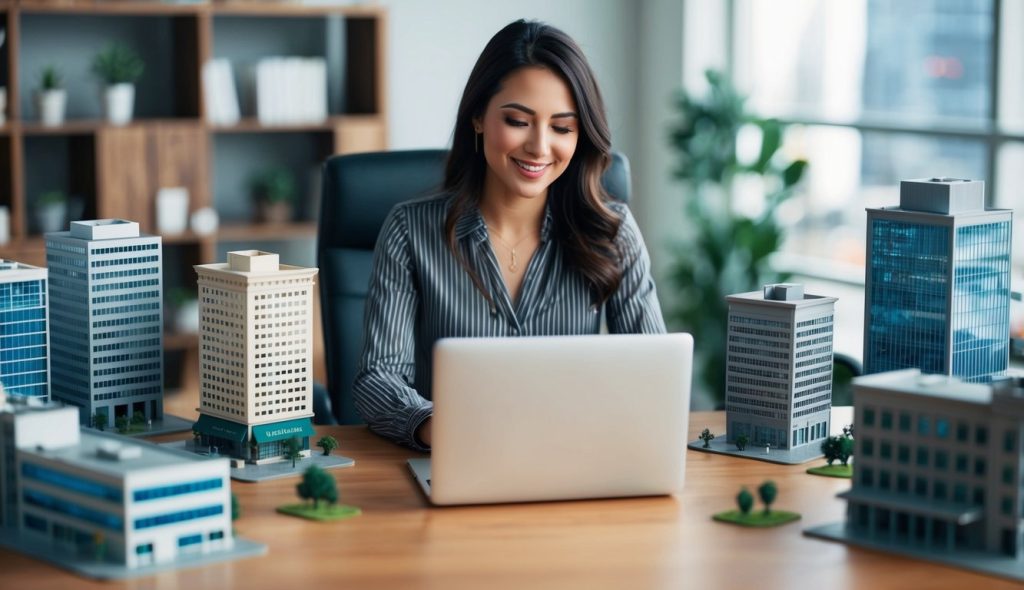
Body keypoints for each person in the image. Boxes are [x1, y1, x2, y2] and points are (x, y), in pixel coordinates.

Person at [353, 19, 666, 451]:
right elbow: (378, 378)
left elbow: (654, 374)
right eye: (519, 120)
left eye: (562, 127)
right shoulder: (410, 231)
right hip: (453, 459)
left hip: (575, 460)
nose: (539, 147)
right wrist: (433, 425)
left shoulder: (611, 232)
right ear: (478, 117)